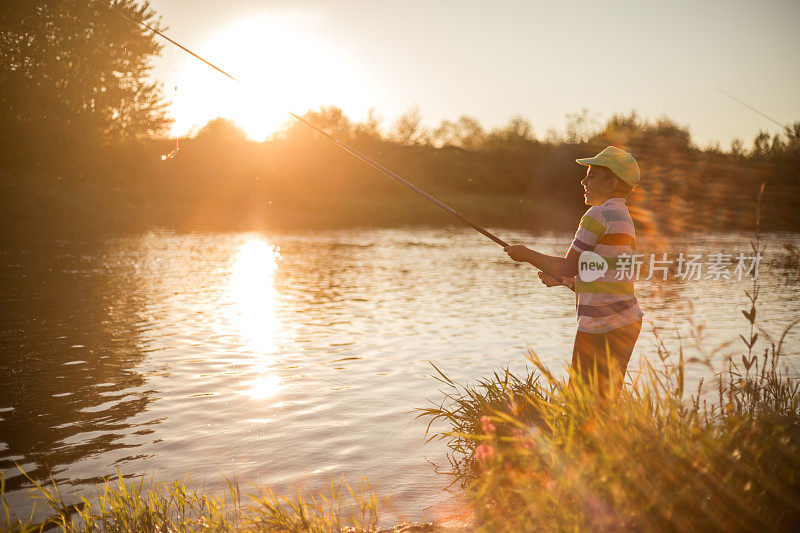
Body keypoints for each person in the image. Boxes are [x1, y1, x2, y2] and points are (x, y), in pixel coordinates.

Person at [504, 146, 644, 404]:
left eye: (591, 176)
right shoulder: (622, 217)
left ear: (612, 184)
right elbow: (605, 274)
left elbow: (569, 265)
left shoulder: (597, 215)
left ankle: (581, 442)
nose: (583, 181)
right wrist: (567, 281)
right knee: (605, 400)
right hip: (626, 321)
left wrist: (524, 253)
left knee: (580, 400)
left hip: (601, 326)